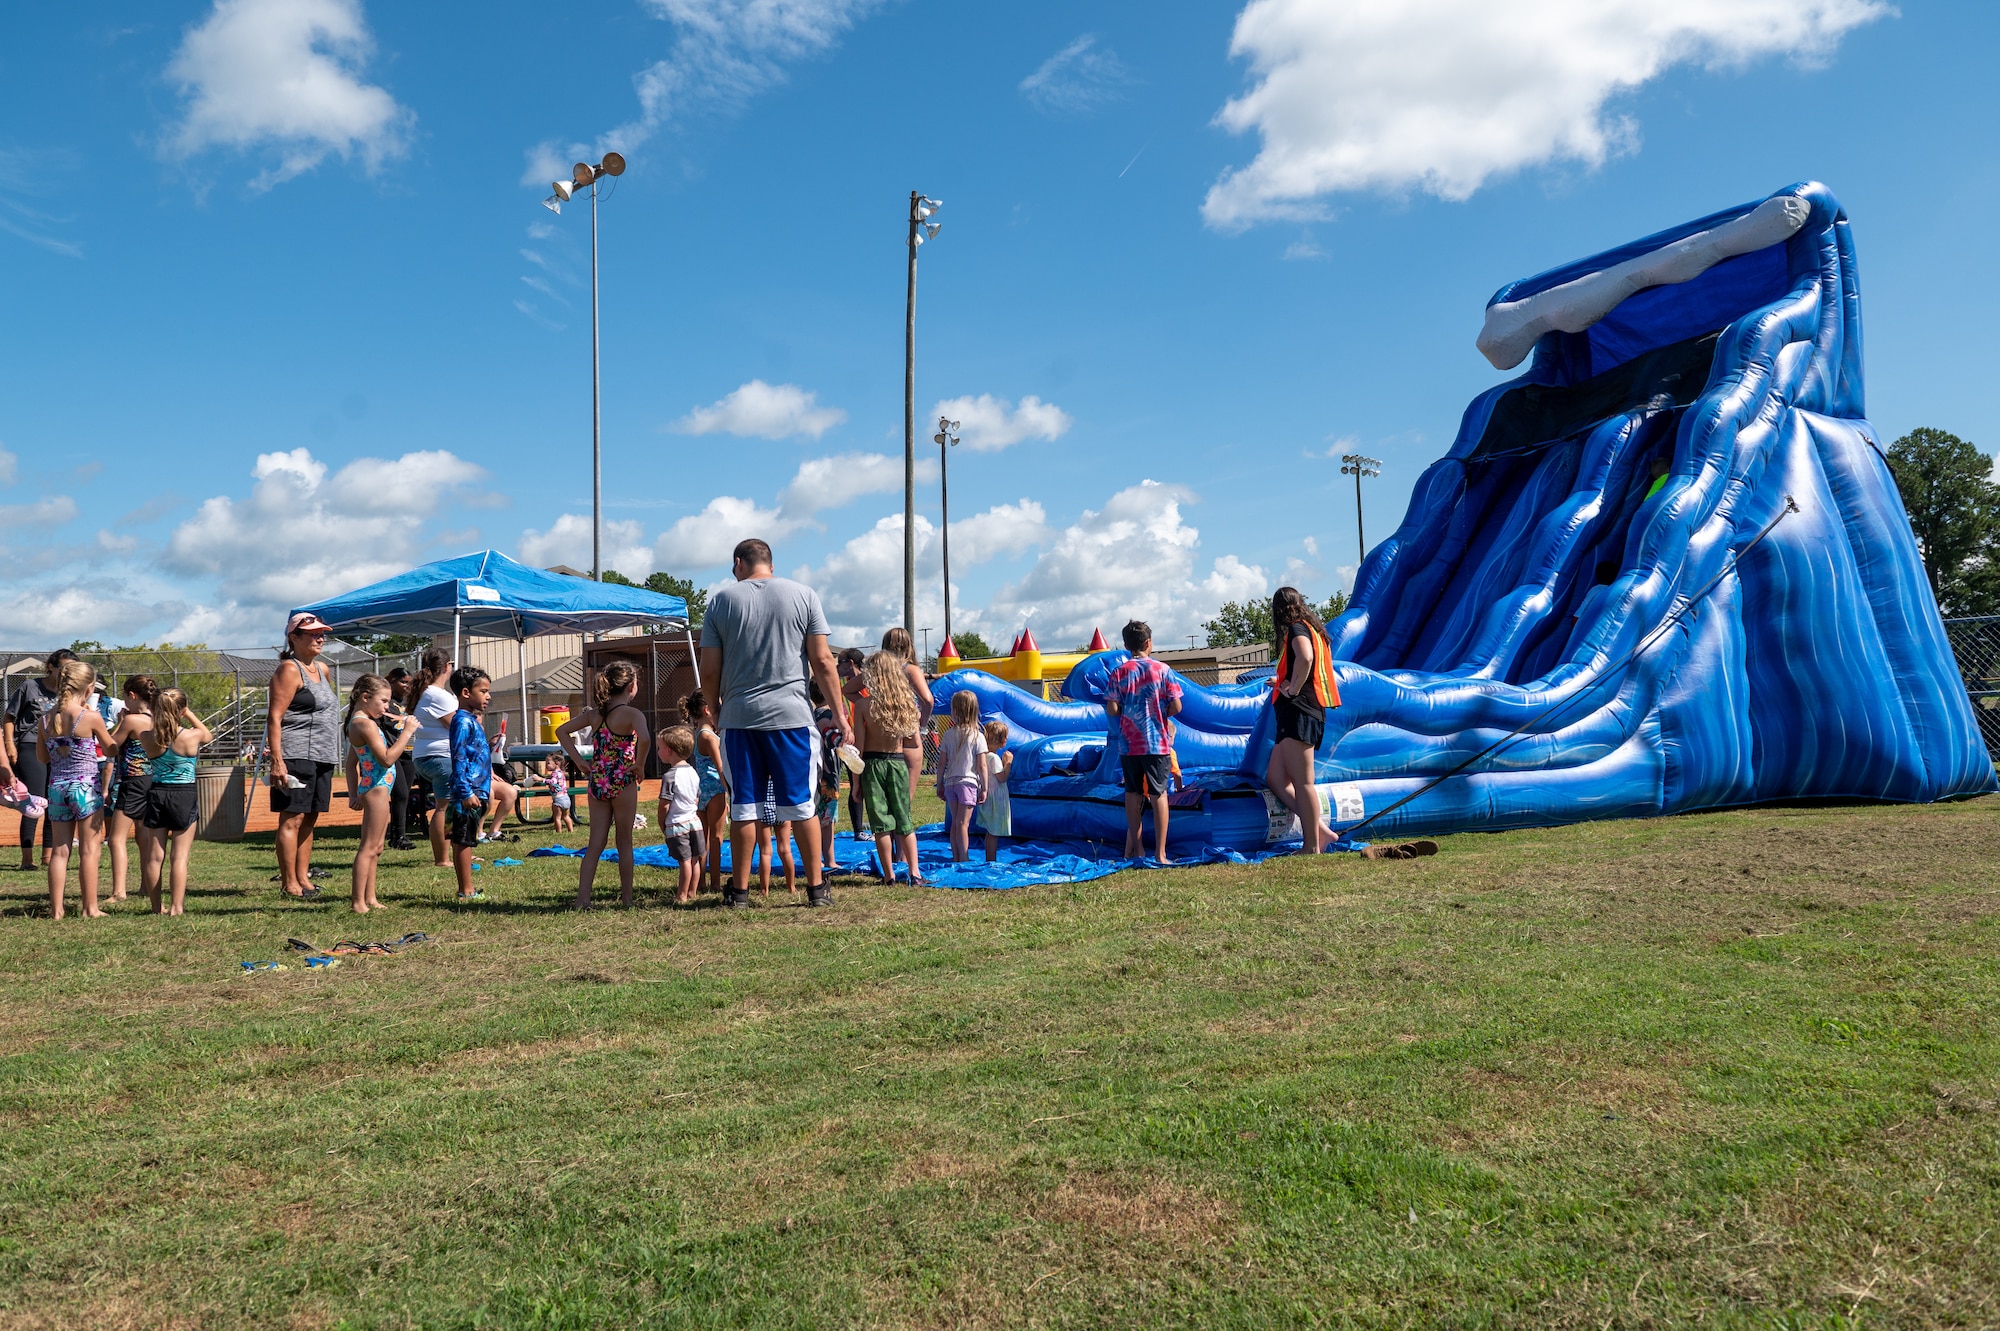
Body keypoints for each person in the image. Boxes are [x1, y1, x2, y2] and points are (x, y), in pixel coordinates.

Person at [697, 538, 851, 910]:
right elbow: (824, 661)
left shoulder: (721, 601)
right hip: (793, 720)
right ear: (770, 562)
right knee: (801, 807)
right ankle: (816, 889)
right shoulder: (804, 595)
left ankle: (740, 893)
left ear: (739, 563)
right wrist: (840, 715)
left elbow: (711, 667)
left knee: (745, 808)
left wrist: (715, 709)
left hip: (740, 719)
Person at [558, 660, 648, 909]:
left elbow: (562, 731)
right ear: (631, 686)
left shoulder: (594, 714)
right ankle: (627, 899)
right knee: (625, 841)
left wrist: (579, 762)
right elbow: (647, 738)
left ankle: (582, 899)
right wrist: (639, 764)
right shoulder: (632, 714)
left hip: (598, 781)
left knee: (595, 843)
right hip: (623, 781)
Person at [266, 612, 340, 901]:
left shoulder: (323, 669)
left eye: (322, 633)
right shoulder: (288, 670)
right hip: (296, 755)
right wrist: (277, 760)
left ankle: (303, 878)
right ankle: (289, 883)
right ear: (294, 638)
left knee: (309, 818)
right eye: (312, 634)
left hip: (322, 756)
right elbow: (274, 718)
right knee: (292, 819)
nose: (320, 637)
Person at [1264, 586, 1343, 854]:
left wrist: (1293, 689)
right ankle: (1321, 832)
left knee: (1303, 782)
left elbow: (1305, 657)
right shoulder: (1313, 628)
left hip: (1299, 711)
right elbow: (1305, 663)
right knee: (1275, 778)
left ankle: (1311, 846)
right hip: (1301, 711)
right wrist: (1284, 680)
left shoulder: (1298, 628)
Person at [37, 659, 113, 919]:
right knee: (90, 849)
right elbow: (110, 748)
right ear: (89, 688)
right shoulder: (89, 716)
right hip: (85, 788)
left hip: (57, 788)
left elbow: (43, 758)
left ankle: (56, 911)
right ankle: (90, 908)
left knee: (60, 850)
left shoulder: (45, 719)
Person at [1105, 619, 1182, 863]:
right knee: (1159, 794)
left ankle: (1137, 849)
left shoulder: (1119, 672)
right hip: (1156, 743)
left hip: (1129, 743)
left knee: (1132, 793)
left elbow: (1112, 709)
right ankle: (1160, 853)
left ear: (1127, 645)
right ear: (1148, 643)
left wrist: (1129, 709)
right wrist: (1160, 711)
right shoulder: (1162, 670)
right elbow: (1177, 705)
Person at [344, 674, 419, 914]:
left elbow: (350, 763)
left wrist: (353, 793)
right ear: (365, 698)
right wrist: (407, 733)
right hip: (376, 789)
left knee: (377, 847)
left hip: (376, 787)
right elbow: (386, 759)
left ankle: (370, 897)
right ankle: (358, 902)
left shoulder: (364, 721)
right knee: (368, 847)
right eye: (383, 701)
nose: (387, 707)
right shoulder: (363, 724)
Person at [139, 688, 210, 916]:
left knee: (154, 856)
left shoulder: (147, 736)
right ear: (181, 711)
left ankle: (155, 906)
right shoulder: (191, 736)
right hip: (184, 794)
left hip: (158, 792)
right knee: (179, 856)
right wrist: (189, 714)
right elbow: (207, 734)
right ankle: (176, 907)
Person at [3, 648, 75, 870]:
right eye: (63, 668)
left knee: (54, 801)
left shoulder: (70, 693)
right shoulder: (30, 686)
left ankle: (47, 856)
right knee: (33, 802)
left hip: (57, 748)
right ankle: (27, 859)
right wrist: (9, 745)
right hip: (29, 746)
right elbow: (8, 717)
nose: (66, 673)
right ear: (51, 667)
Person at [855, 649, 922, 884]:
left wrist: (855, 783)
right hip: (897, 763)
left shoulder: (864, 706)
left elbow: (859, 750)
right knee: (904, 819)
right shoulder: (906, 705)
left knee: (881, 824)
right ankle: (915, 873)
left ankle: (889, 876)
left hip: (872, 765)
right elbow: (913, 740)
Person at [102, 676, 159, 904]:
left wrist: (119, 722)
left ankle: (119, 891)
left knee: (116, 838)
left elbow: (111, 747)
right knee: (144, 837)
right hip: (154, 779)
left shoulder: (132, 720)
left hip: (133, 781)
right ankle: (146, 885)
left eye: (126, 697)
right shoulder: (160, 717)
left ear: (133, 696)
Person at [445, 667, 493, 903]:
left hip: (475, 788)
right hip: (467, 790)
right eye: (483, 691)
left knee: (467, 837)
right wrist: (465, 791)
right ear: (466, 692)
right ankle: (466, 890)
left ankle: (468, 887)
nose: (488, 696)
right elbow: (459, 756)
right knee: (463, 839)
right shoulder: (462, 722)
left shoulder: (470, 721)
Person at [408, 648, 457, 868]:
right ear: (447, 667)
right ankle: (442, 859)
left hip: (426, 755)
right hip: (440, 756)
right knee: (443, 808)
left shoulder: (426, 692)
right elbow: (457, 727)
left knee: (447, 806)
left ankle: (456, 853)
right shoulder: (437, 695)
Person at [877, 628, 934, 804]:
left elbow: (848, 690)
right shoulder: (910, 669)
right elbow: (928, 700)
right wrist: (923, 726)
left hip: (882, 733)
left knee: (885, 802)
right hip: (908, 732)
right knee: (904, 802)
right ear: (908, 645)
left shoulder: (879, 669)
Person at [679, 692, 728, 893]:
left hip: (701, 792)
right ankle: (715, 883)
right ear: (707, 710)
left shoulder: (699, 732)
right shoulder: (709, 736)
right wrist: (730, 791)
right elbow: (720, 766)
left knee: (702, 840)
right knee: (716, 838)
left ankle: (700, 882)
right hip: (715, 790)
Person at [934, 690, 989, 862]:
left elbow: (942, 762)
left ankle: (955, 855)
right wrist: (985, 788)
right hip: (968, 782)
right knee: (963, 823)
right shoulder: (977, 736)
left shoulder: (948, 734)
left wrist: (940, 783)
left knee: (955, 824)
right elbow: (982, 765)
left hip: (951, 782)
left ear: (955, 711)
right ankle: (964, 857)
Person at [656, 725, 704, 905]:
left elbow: (664, 805)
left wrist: (662, 822)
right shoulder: (693, 772)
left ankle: (681, 895)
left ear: (669, 751)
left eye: (660, 748)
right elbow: (697, 798)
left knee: (684, 861)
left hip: (678, 824)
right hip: (695, 822)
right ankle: (692, 891)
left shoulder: (670, 776)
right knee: (695, 859)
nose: (659, 751)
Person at [382, 668, 418, 850]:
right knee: (400, 793)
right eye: (403, 682)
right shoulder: (386, 703)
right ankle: (398, 836)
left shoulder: (407, 704)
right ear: (392, 681)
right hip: (392, 752)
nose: (407, 686)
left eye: (409, 682)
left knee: (404, 795)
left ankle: (399, 835)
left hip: (409, 753)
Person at [976, 718, 1013, 863]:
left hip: (988, 797)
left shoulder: (983, 756)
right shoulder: (994, 758)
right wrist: (1008, 763)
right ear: (1003, 741)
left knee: (990, 831)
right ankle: (991, 860)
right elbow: (1002, 777)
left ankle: (989, 858)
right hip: (995, 800)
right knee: (994, 832)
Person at [547, 752, 576, 833]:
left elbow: (553, 781)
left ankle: (558, 831)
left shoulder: (555, 774)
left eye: (548, 763)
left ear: (557, 763)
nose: (546, 765)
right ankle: (571, 830)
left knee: (557, 817)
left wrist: (541, 779)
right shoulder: (561, 773)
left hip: (558, 799)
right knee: (566, 816)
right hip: (566, 798)